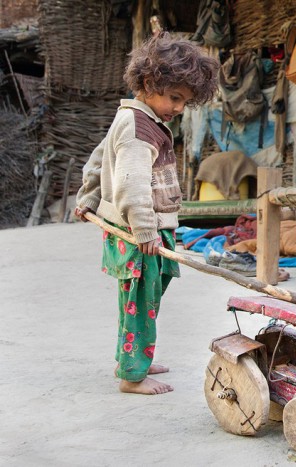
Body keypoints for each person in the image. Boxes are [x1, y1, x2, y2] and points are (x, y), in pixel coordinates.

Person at [75, 33, 218, 395]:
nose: (179, 108)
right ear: (147, 82)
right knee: (141, 301)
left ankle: (134, 355)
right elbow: (131, 186)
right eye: (174, 97)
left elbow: (98, 160)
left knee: (139, 301)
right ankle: (132, 375)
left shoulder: (131, 119)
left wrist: (88, 199)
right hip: (139, 234)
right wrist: (146, 232)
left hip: (139, 231)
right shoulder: (139, 128)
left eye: (185, 101)